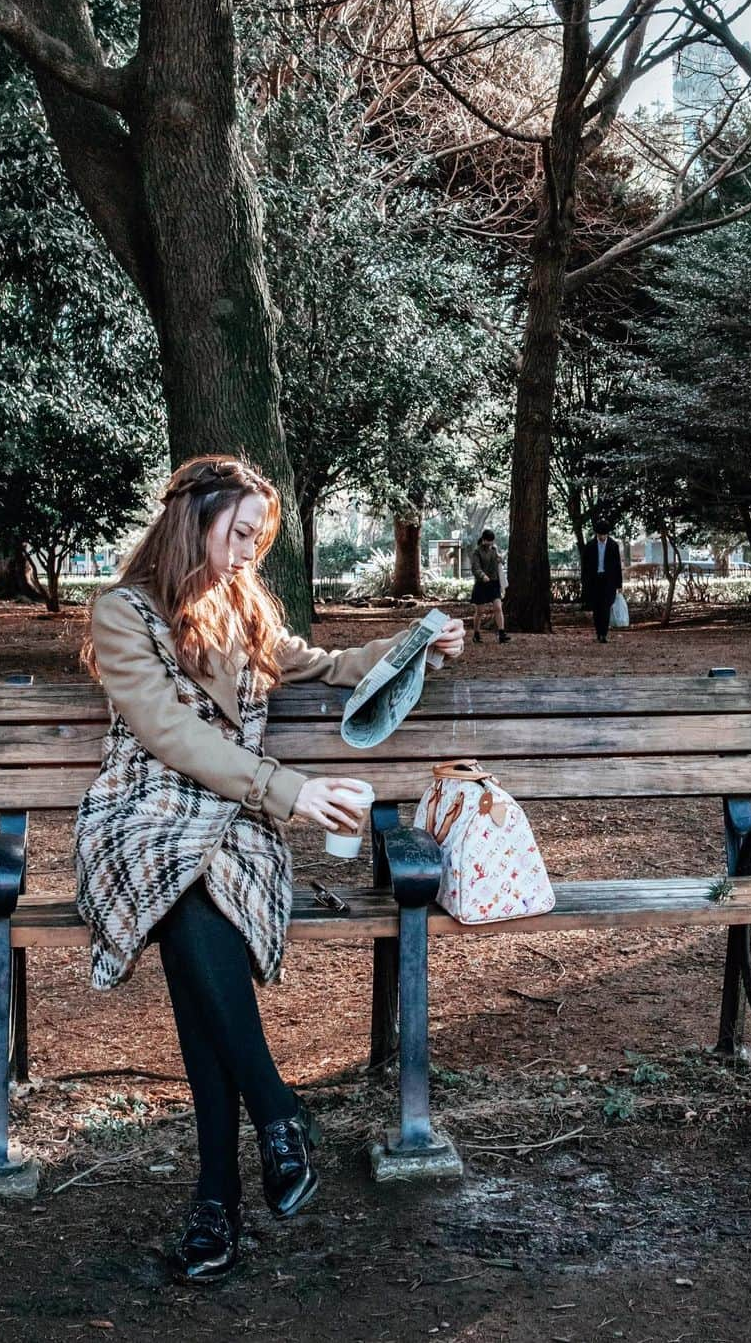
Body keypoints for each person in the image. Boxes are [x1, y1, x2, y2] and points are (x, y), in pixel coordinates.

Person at [75, 455, 465, 1285]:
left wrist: (419, 638)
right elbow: (170, 735)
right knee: (179, 883)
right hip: (142, 813)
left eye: (260, 534)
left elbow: (324, 665)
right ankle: (276, 1110)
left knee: (192, 925)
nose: (253, 547)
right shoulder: (123, 610)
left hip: (236, 819)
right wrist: (291, 790)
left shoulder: (244, 604)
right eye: (241, 531)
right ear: (196, 519)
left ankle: (218, 1195)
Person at [582, 516, 623, 643]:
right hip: (594, 580)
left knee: (606, 607)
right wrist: (584, 581)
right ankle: (598, 631)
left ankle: (603, 634)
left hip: (608, 581)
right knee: (596, 608)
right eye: (600, 535)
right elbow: (585, 565)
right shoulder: (589, 546)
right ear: (596, 533)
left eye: (604, 535)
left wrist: (619, 584)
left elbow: (617, 566)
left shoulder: (613, 546)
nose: (602, 537)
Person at [469, 528, 510, 644]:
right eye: (488, 541)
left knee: (498, 607)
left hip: (494, 583)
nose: (490, 543)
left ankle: (502, 633)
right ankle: (476, 633)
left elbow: (499, 561)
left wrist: (501, 559)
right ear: (483, 540)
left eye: (492, 541)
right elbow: (475, 568)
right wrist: (482, 576)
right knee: (480, 611)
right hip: (482, 584)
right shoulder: (477, 552)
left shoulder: (494, 549)